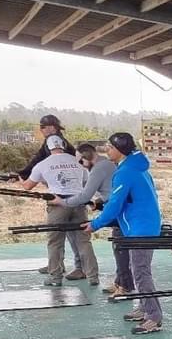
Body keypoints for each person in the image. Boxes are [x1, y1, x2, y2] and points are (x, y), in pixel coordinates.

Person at [85, 133, 164, 335]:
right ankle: (145, 308)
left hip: (140, 229)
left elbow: (115, 205)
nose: (107, 150)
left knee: (141, 272)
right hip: (144, 225)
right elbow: (128, 199)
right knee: (138, 269)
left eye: (110, 147)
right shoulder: (138, 167)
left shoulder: (125, 172)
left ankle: (154, 317)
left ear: (120, 150)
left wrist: (95, 224)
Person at [20, 135, 99, 287]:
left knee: (55, 242)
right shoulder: (77, 161)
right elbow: (85, 182)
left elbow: (28, 186)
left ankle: (55, 277)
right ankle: (93, 276)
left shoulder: (43, 164)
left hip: (57, 205)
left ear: (47, 148)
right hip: (79, 203)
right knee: (84, 241)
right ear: (63, 146)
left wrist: (19, 178)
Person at [17, 114, 84, 279]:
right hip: (74, 194)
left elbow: (37, 160)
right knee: (73, 235)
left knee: (66, 236)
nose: (41, 130)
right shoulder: (61, 141)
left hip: (62, 196)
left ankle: (70, 267)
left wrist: (22, 174)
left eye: (42, 127)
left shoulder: (53, 140)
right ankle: (59, 264)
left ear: (51, 127)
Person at [54, 142, 121, 294]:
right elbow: (110, 190)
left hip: (117, 209)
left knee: (120, 247)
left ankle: (123, 285)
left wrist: (62, 202)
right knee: (119, 247)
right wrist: (99, 202)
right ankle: (121, 282)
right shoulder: (106, 164)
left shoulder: (99, 168)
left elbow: (85, 195)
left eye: (81, 161)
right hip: (114, 205)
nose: (81, 164)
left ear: (88, 156)